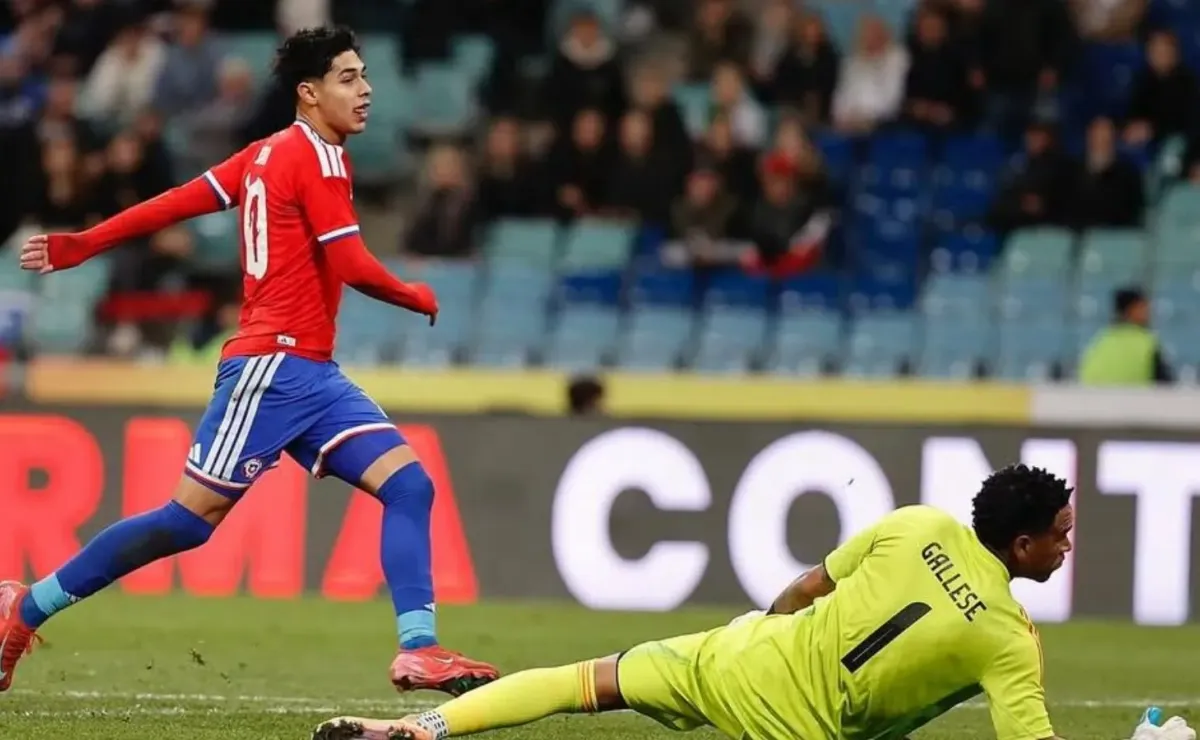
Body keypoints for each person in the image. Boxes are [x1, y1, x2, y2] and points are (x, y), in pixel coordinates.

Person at [0, 26, 499, 697]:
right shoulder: (314, 159)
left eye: (364, 75)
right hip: (270, 368)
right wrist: (416, 293)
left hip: (313, 374)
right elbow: (351, 264)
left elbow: (179, 200)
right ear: (309, 91)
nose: (366, 88)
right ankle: (24, 609)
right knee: (186, 522)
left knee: (409, 485)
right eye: (348, 77)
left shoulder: (269, 153)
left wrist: (87, 242)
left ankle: (419, 648)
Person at [315, 464, 1078, 740]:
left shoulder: (920, 522)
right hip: (803, 727)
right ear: (1022, 547)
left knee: (585, 682)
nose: (1068, 546)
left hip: (741, 656)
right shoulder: (1010, 639)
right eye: (1061, 535)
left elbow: (808, 587)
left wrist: (760, 639)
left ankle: (423, 730)